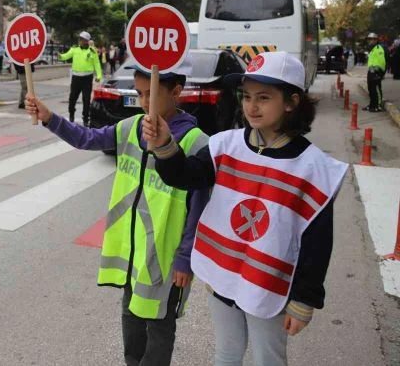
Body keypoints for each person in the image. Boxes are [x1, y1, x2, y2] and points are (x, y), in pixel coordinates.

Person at [143, 51, 348, 366]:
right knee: (226, 353)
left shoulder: (314, 168)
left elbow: (317, 243)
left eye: (264, 97)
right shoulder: (225, 145)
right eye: (247, 96)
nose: (251, 106)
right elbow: (185, 177)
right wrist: (164, 145)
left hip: (270, 285)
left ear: (291, 102)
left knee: (269, 358)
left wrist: (304, 300)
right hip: (223, 275)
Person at [25, 56, 209, 366]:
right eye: (140, 93)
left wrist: (185, 257)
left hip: (165, 258)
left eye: (152, 93)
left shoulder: (195, 142)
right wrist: (50, 118)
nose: (144, 102)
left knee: (160, 324)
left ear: (176, 92)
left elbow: (198, 208)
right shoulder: (129, 127)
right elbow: (87, 138)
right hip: (133, 252)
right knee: (130, 315)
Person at [59, 31, 103, 125]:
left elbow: (97, 64)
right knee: (72, 98)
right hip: (76, 78)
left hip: (87, 78)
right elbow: (65, 56)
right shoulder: (74, 49)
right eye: (80, 39)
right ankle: (71, 114)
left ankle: (85, 119)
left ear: (87, 41)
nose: (80, 41)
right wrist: (60, 56)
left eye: (82, 39)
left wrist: (99, 76)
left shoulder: (92, 51)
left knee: (86, 100)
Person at [364, 32, 387, 112]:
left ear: (376, 40)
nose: (369, 41)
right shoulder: (372, 49)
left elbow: (381, 61)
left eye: (371, 39)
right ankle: (372, 104)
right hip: (371, 71)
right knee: (371, 89)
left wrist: (378, 71)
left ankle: (378, 105)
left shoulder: (378, 48)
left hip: (376, 71)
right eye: (369, 39)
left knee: (376, 88)